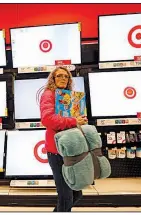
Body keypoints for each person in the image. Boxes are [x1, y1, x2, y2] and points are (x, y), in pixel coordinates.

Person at [40, 67, 87, 212]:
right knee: (66, 196)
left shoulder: (71, 96)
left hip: (71, 149)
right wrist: (73, 121)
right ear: (53, 79)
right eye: (59, 76)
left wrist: (81, 121)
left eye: (66, 76)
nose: (63, 78)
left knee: (76, 193)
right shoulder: (48, 94)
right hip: (56, 150)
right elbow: (47, 119)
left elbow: (75, 118)